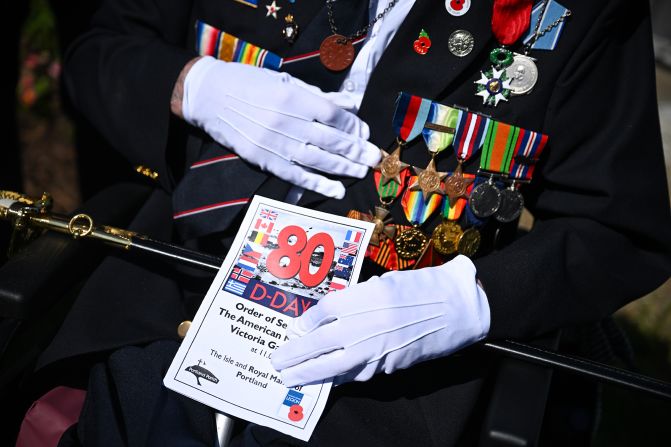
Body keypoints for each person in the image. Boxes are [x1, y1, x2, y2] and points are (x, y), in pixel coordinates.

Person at [33, 0, 671, 445]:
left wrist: (473, 298)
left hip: (384, 360)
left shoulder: (582, 10)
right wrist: (189, 83)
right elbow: (100, 51)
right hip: (176, 288)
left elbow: (618, 225)